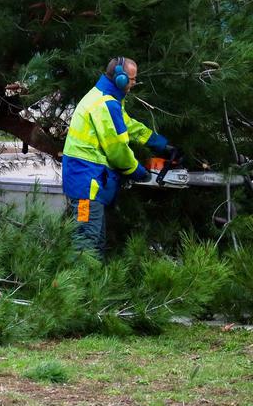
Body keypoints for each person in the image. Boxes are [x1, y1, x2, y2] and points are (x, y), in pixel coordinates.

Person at [61, 57, 177, 257]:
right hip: (86, 185)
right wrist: (138, 171)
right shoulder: (105, 104)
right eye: (131, 80)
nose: (133, 84)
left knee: (96, 242)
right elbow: (117, 151)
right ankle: (79, 286)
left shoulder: (107, 96)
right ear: (120, 79)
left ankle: (94, 286)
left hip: (91, 181)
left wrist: (160, 143)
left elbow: (127, 125)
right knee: (85, 246)